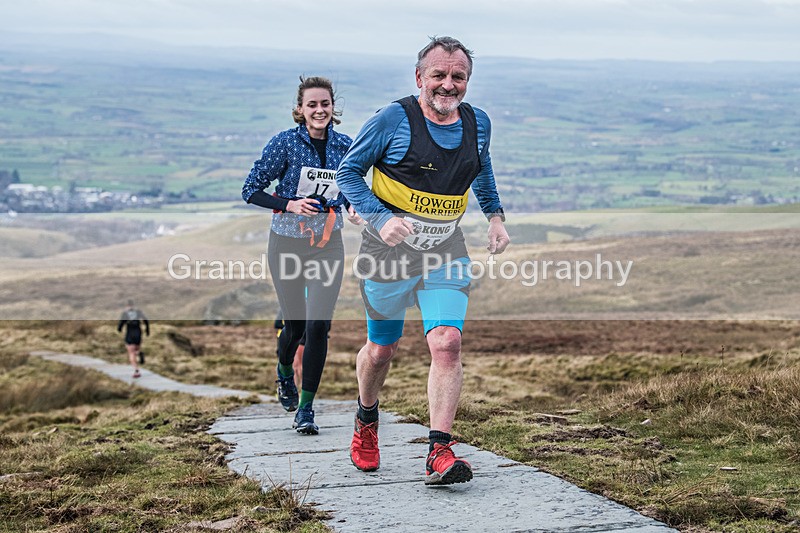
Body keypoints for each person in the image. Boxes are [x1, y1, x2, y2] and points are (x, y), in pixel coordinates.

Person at [336, 36, 510, 485]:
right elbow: (348, 172)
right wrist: (379, 218)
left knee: (447, 342)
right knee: (382, 349)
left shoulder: (478, 123)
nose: (448, 84)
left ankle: (439, 451)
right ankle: (367, 420)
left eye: (459, 76)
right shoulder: (393, 119)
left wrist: (494, 217)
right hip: (387, 254)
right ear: (419, 78)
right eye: (439, 75)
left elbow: (481, 167)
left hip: (445, 250)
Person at [242, 76, 361, 435]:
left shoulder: (346, 145)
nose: (319, 110)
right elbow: (251, 190)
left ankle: (306, 409)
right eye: (312, 105)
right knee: (294, 326)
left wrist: (353, 206)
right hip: (288, 244)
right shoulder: (285, 143)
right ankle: (283, 373)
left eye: (325, 103)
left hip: (328, 244)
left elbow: (352, 187)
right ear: (300, 109)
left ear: (333, 107)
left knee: (318, 327)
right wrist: (290, 203)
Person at [117, 300, 150, 378]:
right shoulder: (138, 312)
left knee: (131, 353)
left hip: (130, 334)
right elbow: (146, 320)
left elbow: (121, 324)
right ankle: (139, 353)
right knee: (136, 350)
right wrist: (147, 330)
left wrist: (119, 329)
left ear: (127, 306)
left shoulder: (125, 313)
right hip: (138, 333)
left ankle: (136, 370)